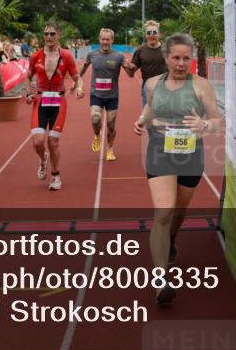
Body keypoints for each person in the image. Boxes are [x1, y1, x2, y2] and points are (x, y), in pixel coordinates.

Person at [133, 33, 221, 305]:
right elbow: (150, 107)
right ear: (166, 58)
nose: (181, 63)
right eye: (176, 58)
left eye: (186, 58)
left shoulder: (202, 85)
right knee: (163, 212)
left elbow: (217, 121)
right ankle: (160, 281)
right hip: (160, 151)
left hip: (190, 154)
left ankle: (171, 238)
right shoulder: (152, 84)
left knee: (179, 211)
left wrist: (204, 125)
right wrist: (141, 120)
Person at [25, 23, 84, 191]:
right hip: (40, 101)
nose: (49, 37)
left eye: (52, 34)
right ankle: (43, 158)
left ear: (59, 35)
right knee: (38, 141)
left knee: (53, 142)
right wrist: (28, 94)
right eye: (46, 34)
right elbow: (27, 76)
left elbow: (77, 78)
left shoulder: (66, 56)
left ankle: (55, 175)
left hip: (59, 101)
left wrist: (79, 88)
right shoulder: (36, 56)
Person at [79, 29, 126, 161]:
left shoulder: (119, 56)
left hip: (112, 96)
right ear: (99, 40)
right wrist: (77, 80)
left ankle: (110, 149)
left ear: (112, 40)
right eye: (103, 39)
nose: (105, 42)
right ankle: (97, 135)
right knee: (95, 119)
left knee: (111, 125)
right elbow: (84, 66)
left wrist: (130, 67)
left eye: (107, 39)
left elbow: (130, 73)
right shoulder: (92, 55)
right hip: (96, 94)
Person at [126, 20, 168, 108]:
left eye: (154, 32)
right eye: (149, 33)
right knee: (148, 115)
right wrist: (129, 67)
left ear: (159, 34)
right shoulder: (140, 50)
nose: (151, 35)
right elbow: (131, 74)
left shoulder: (167, 49)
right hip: (147, 89)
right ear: (145, 35)